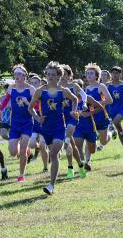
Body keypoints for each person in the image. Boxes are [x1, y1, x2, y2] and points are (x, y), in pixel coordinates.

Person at [29, 61, 80, 195]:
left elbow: (75, 100)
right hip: (46, 128)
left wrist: (73, 111)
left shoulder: (64, 91)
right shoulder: (40, 91)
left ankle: (51, 185)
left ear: (58, 76)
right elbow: (30, 108)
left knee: (53, 154)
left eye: (53, 75)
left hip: (59, 127)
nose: (50, 77)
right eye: (48, 74)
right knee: (54, 154)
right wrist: (38, 117)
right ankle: (64, 152)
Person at [81, 63, 114, 169]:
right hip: (90, 117)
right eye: (87, 73)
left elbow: (109, 100)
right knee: (89, 139)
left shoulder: (101, 86)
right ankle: (88, 162)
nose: (89, 75)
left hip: (101, 117)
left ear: (96, 76)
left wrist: (97, 103)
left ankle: (110, 133)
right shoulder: (86, 89)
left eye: (91, 73)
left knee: (102, 141)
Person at [7, 64, 35, 182]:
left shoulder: (31, 89)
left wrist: (27, 102)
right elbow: (6, 101)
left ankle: (21, 175)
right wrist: (0, 111)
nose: (17, 76)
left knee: (22, 151)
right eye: (15, 74)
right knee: (13, 152)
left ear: (24, 76)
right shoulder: (11, 88)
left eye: (19, 74)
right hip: (15, 123)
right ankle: (27, 150)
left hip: (27, 122)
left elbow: (36, 106)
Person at [60, 65, 86, 179]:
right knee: (72, 145)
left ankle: (64, 144)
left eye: (65, 75)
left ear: (69, 76)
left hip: (73, 115)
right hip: (61, 118)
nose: (63, 77)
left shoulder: (74, 86)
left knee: (68, 137)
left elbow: (84, 96)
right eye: (61, 75)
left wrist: (84, 104)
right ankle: (77, 166)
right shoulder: (57, 88)